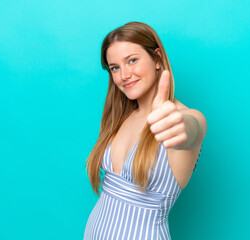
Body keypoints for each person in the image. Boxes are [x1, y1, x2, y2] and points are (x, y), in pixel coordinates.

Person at [84, 21, 207, 240]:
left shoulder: (180, 118)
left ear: (157, 58)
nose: (124, 75)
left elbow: (193, 128)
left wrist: (183, 126)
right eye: (115, 68)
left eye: (132, 60)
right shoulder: (122, 117)